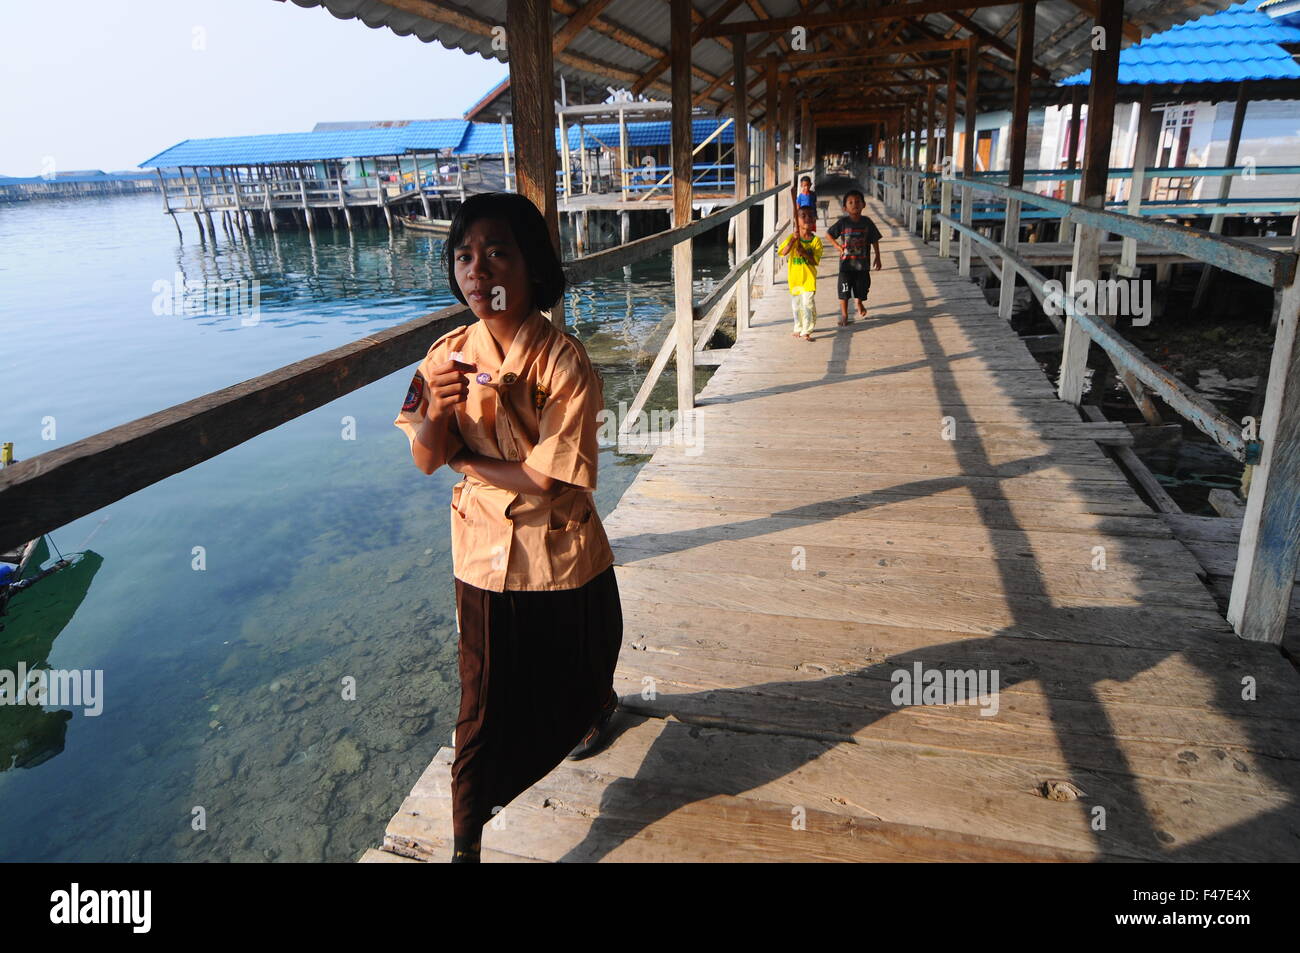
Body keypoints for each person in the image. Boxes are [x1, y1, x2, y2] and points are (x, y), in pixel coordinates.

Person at [392, 192, 623, 863]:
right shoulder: (441, 356)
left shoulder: (563, 363)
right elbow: (424, 458)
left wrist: (467, 456)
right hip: (485, 556)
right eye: (463, 255)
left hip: (562, 549)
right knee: (482, 703)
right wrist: (437, 412)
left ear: (531, 266)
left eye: (497, 252)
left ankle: (595, 705)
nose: (477, 269)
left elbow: (550, 480)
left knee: (593, 649)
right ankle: (466, 842)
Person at [826, 189, 882, 326]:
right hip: (846, 265)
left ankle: (859, 302)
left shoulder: (867, 222)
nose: (854, 204)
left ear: (864, 205)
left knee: (862, 289)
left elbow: (874, 239)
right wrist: (838, 247)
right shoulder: (843, 222)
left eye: (858, 202)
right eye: (850, 202)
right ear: (845, 207)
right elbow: (829, 234)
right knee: (843, 290)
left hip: (862, 265)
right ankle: (844, 315)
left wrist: (878, 257)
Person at [778, 205, 823, 341]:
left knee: (807, 303)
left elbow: (814, 261)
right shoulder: (792, 237)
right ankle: (798, 326)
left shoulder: (816, 241)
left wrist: (803, 252)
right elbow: (783, 252)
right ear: (797, 220)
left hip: (808, 279)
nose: (807, 218)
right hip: (795, 279)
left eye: (810, 216)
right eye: (803, 216)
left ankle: (806, 330)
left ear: (815, 220)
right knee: (797, 306)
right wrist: (792, 241)